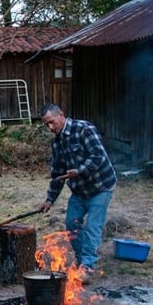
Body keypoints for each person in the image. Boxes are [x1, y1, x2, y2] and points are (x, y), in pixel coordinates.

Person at [38, 103, 117, 282]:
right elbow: (57, 173)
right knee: (71, 226)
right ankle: (82, 263)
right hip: (80, 191)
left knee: (92, 227)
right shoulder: (56, 143)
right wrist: (50, 199)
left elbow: (98, 156)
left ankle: (88, 268)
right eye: (46, 125)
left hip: (101, 186)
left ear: (61, 115)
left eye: (52, 122)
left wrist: (80, 170)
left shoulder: (84, 129)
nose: (50, 127)